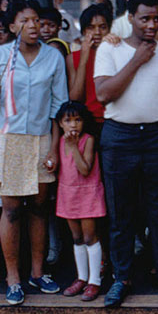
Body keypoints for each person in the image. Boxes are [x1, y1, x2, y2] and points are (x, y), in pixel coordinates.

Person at [94, 0, 158, 307]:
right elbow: (103, 94)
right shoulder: (109, 50)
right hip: (119, 135)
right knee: (120, 213)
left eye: (156, 19)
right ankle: (121, 279)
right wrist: (136, 62)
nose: (151, 25)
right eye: (144, 19)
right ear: (130, 18)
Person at [0, 2, 67, 305]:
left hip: (43, 137)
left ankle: (38, 272)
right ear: (13, 26)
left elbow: (60, 107)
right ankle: (13, 277)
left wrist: (55, 148)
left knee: (39, 208)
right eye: (25, 20)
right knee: (12, 209)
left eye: (37, 20)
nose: (33, 25)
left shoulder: (53, 57)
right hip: (10, 138)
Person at [52, 101, 106, 301]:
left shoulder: (88, 140)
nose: (73, 125)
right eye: (68, 120)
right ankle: (81, 277)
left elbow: (85, 170)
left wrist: (74, 147)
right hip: (68, 194)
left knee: (90, 236)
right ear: (60, 124)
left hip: (87, 193)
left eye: (78, 120)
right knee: (76, 237)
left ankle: (95, 281)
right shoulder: (59, 142)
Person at [68, 3, 111, 123]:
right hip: (86, 121)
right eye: (91, 27)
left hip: (113, 119)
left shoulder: (116, 53)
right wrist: (84, 59)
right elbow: (75, 98)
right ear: (83, 31)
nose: (97, 32)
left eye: (102, 27)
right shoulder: (73, 58)